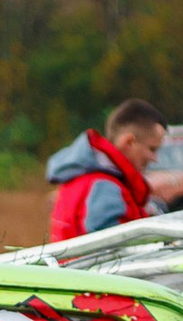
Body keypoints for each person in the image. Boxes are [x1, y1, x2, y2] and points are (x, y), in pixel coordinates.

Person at [46, 99, 166, 242]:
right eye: (152, 149)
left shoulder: (86, 178)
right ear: (129, 142)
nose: (155, 158)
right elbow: (111, 250)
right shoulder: (104, 186)